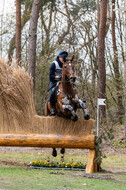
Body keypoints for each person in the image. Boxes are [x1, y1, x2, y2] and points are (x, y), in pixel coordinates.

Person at [49, 51, 68, 116]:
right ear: (59, 57)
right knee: (53, 93)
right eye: (62, 57)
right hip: (54, 82)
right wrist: (58, 77)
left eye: (64, 57)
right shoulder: (54, 64)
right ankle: (53, 109)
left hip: (63, 83)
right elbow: (50, 76)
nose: (63, 59)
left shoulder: (66, 64)